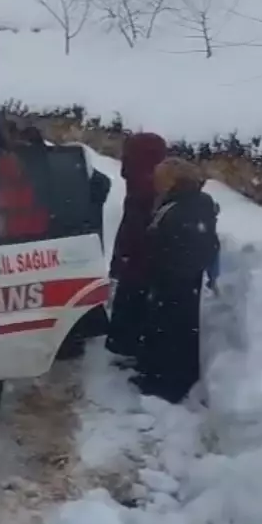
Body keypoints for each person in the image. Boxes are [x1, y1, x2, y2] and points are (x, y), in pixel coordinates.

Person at [133, 157, 220, 402]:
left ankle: (161, 386)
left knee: (166, 332)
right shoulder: (202, 202)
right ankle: (175, 379)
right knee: (182, 332)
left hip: (170, 280)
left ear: (174, 181)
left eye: (161, 179)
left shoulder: (176, 208)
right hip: (188, 281)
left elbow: (162, 243)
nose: (156, 184)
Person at [106, 132, 168, 361]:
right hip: (138, 264)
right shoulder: (143, 184)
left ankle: (129, 352)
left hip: (139, 265)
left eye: (127, 156)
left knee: (133, 308)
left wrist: (122, 261)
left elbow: (134, 231)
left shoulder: (145, 189)